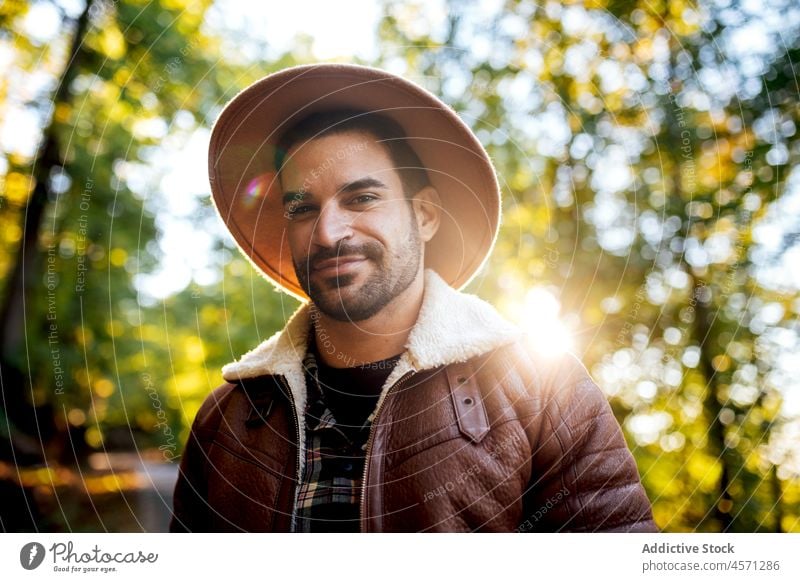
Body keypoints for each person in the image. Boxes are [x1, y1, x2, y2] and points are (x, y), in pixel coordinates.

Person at [169, 63, 657, 533]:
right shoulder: (225, 420)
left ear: (424, 215)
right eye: (303, 208)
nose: (328, 232)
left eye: (361, 198)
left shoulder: (545, 392)